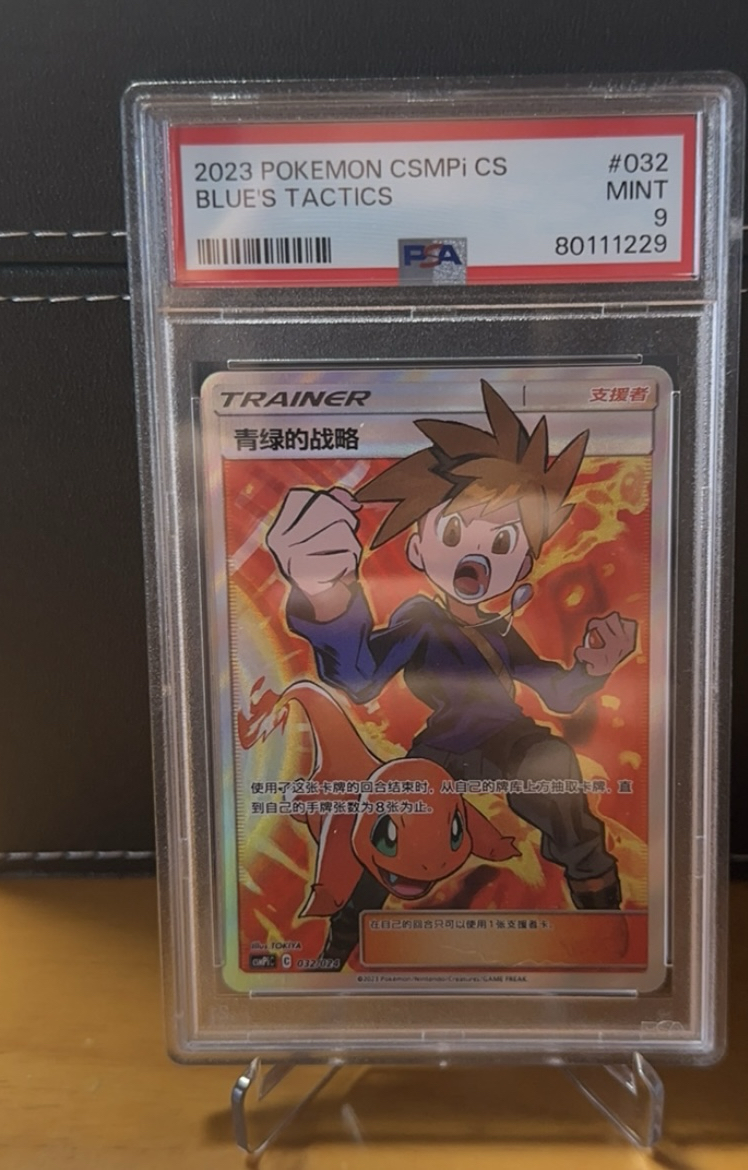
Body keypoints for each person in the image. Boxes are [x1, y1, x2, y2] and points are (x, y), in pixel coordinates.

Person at [267, 380, 637, 961]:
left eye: (504, 542)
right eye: (455, 532)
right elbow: (359, 677)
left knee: (554, 770)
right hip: (441, 749)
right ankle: (344, 938)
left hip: (511, 740)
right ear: (417, 549)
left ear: (523, 563)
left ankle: (607, 923)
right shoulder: (419, 618)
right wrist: (326, 596)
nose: (476, 555)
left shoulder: (501, 630)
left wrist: (595, 666)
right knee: (395, 815)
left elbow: (558, 693)